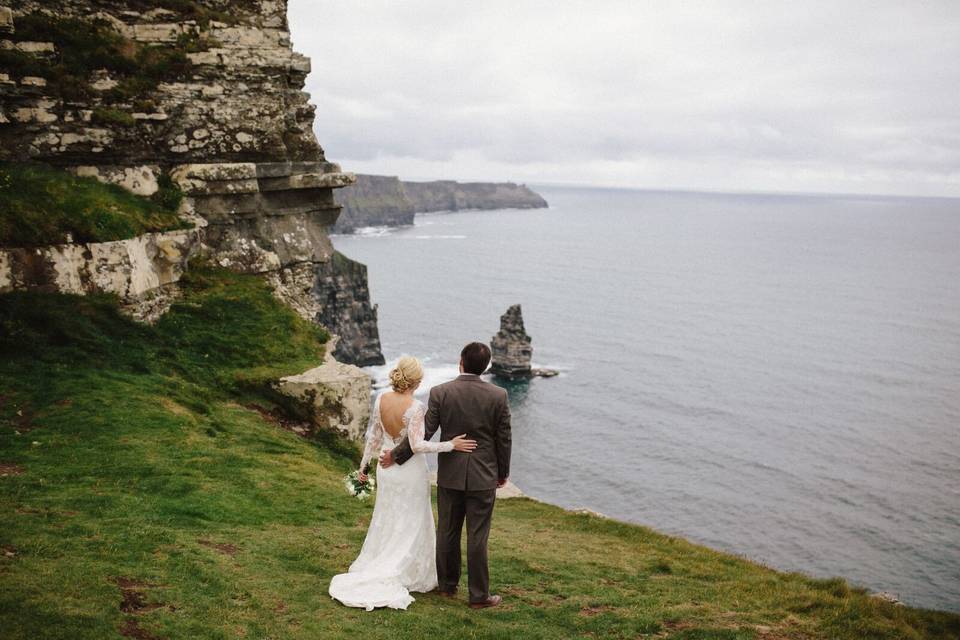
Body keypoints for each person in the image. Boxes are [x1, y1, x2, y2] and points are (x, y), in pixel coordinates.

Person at [328, 356, 477, 611]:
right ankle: (405, 568)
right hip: (408, 470)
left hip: (386, 469)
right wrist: (451, 445)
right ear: (416, 381)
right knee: (413, 517)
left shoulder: (381, 399)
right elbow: (417, 446)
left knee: (388, 514)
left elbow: (373, 437)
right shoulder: (416, 407)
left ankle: (382, 559)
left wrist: (363, 467)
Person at [381, 342, 512, 609]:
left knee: (447, 532)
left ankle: (447, 587)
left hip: (450, 474)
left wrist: (395, 455)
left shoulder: (441, 392)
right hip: (483, 475)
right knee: (477, 536)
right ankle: (478, 597)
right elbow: (504, 439)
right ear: (485, 366)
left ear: (460, 362)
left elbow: (423, 434)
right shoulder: (499, 395)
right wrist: (502, 473)